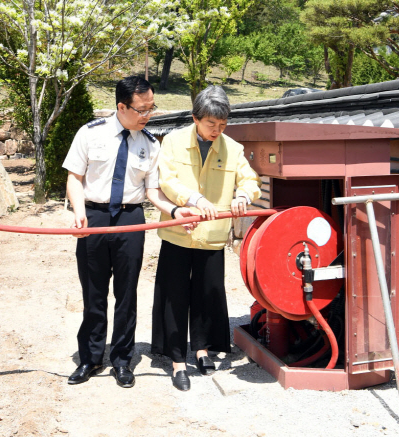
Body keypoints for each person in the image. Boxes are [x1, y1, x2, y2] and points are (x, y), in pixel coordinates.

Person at [62, 76, 197, 389]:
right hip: (94, 216)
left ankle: (122, 360)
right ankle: (91, 358)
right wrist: (80, 214)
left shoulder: (149, 144)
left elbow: (153, 191)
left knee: (126, 294)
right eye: (141, 109)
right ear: (121, 107)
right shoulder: (90, 133)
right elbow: (74, 178)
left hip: (131, 220)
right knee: (93, 293)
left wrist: (176, 212)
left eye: (151, 107)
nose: (148, 114)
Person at [151, 85, 261, 391]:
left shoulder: (233, 148)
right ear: (195, 118)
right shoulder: (172, 142)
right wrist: (193, 199)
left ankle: (200, 350)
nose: (217, 130)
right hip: (178, 232)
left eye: (222, 125)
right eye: (211, 124)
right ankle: (176, 360)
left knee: (206, 292)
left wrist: (243, 194)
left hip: (212, 235)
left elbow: (251, 179)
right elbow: (167, 180)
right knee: (174, 296)